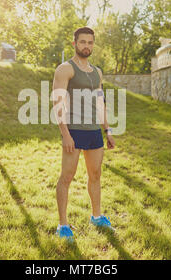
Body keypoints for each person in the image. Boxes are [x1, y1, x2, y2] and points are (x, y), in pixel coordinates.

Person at [52, 26, 116, 242]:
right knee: (67, 177)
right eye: (82, 42)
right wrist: (65, 134)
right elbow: (57, 103)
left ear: (93, 45)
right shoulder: (65, 69)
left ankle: (96, 217)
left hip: (94, 133)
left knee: (95, 175)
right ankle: (63, 225)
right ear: (74, 44)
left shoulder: (96, 72)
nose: (86, 46)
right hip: (74, 131)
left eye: (90, 42)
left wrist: (107, 130)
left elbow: (100, 102)